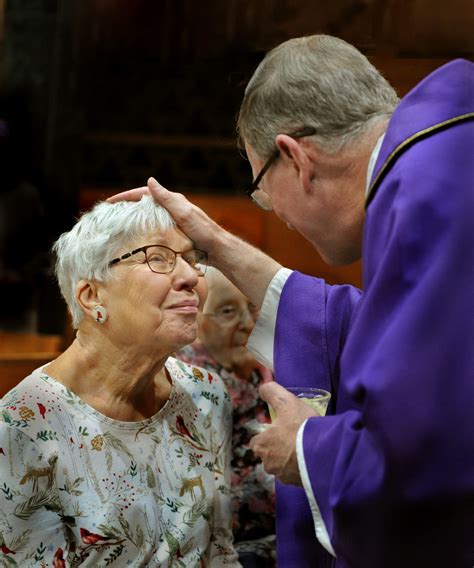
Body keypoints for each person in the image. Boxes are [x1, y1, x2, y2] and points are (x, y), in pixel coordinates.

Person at [107, 35, 474, 568]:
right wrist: (219, 244)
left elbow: (427, 454)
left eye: (260, 189)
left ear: (295, 158)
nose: (274, 213)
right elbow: (409, 345)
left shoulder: (427, 193)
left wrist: (307, 448)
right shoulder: (441, 158)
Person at [0, 195, 241, 566]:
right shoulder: (21, 428)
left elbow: (221, 552)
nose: (192, 277)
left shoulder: (205, 393)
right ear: (92, 295)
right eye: (158, 258)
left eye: (192, 259)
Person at [175, 267, 276, 567]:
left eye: (252, 306)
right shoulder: (184, 387)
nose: (247, 323)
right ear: (194, 319)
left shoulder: (267, 369)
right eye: (228, 311)